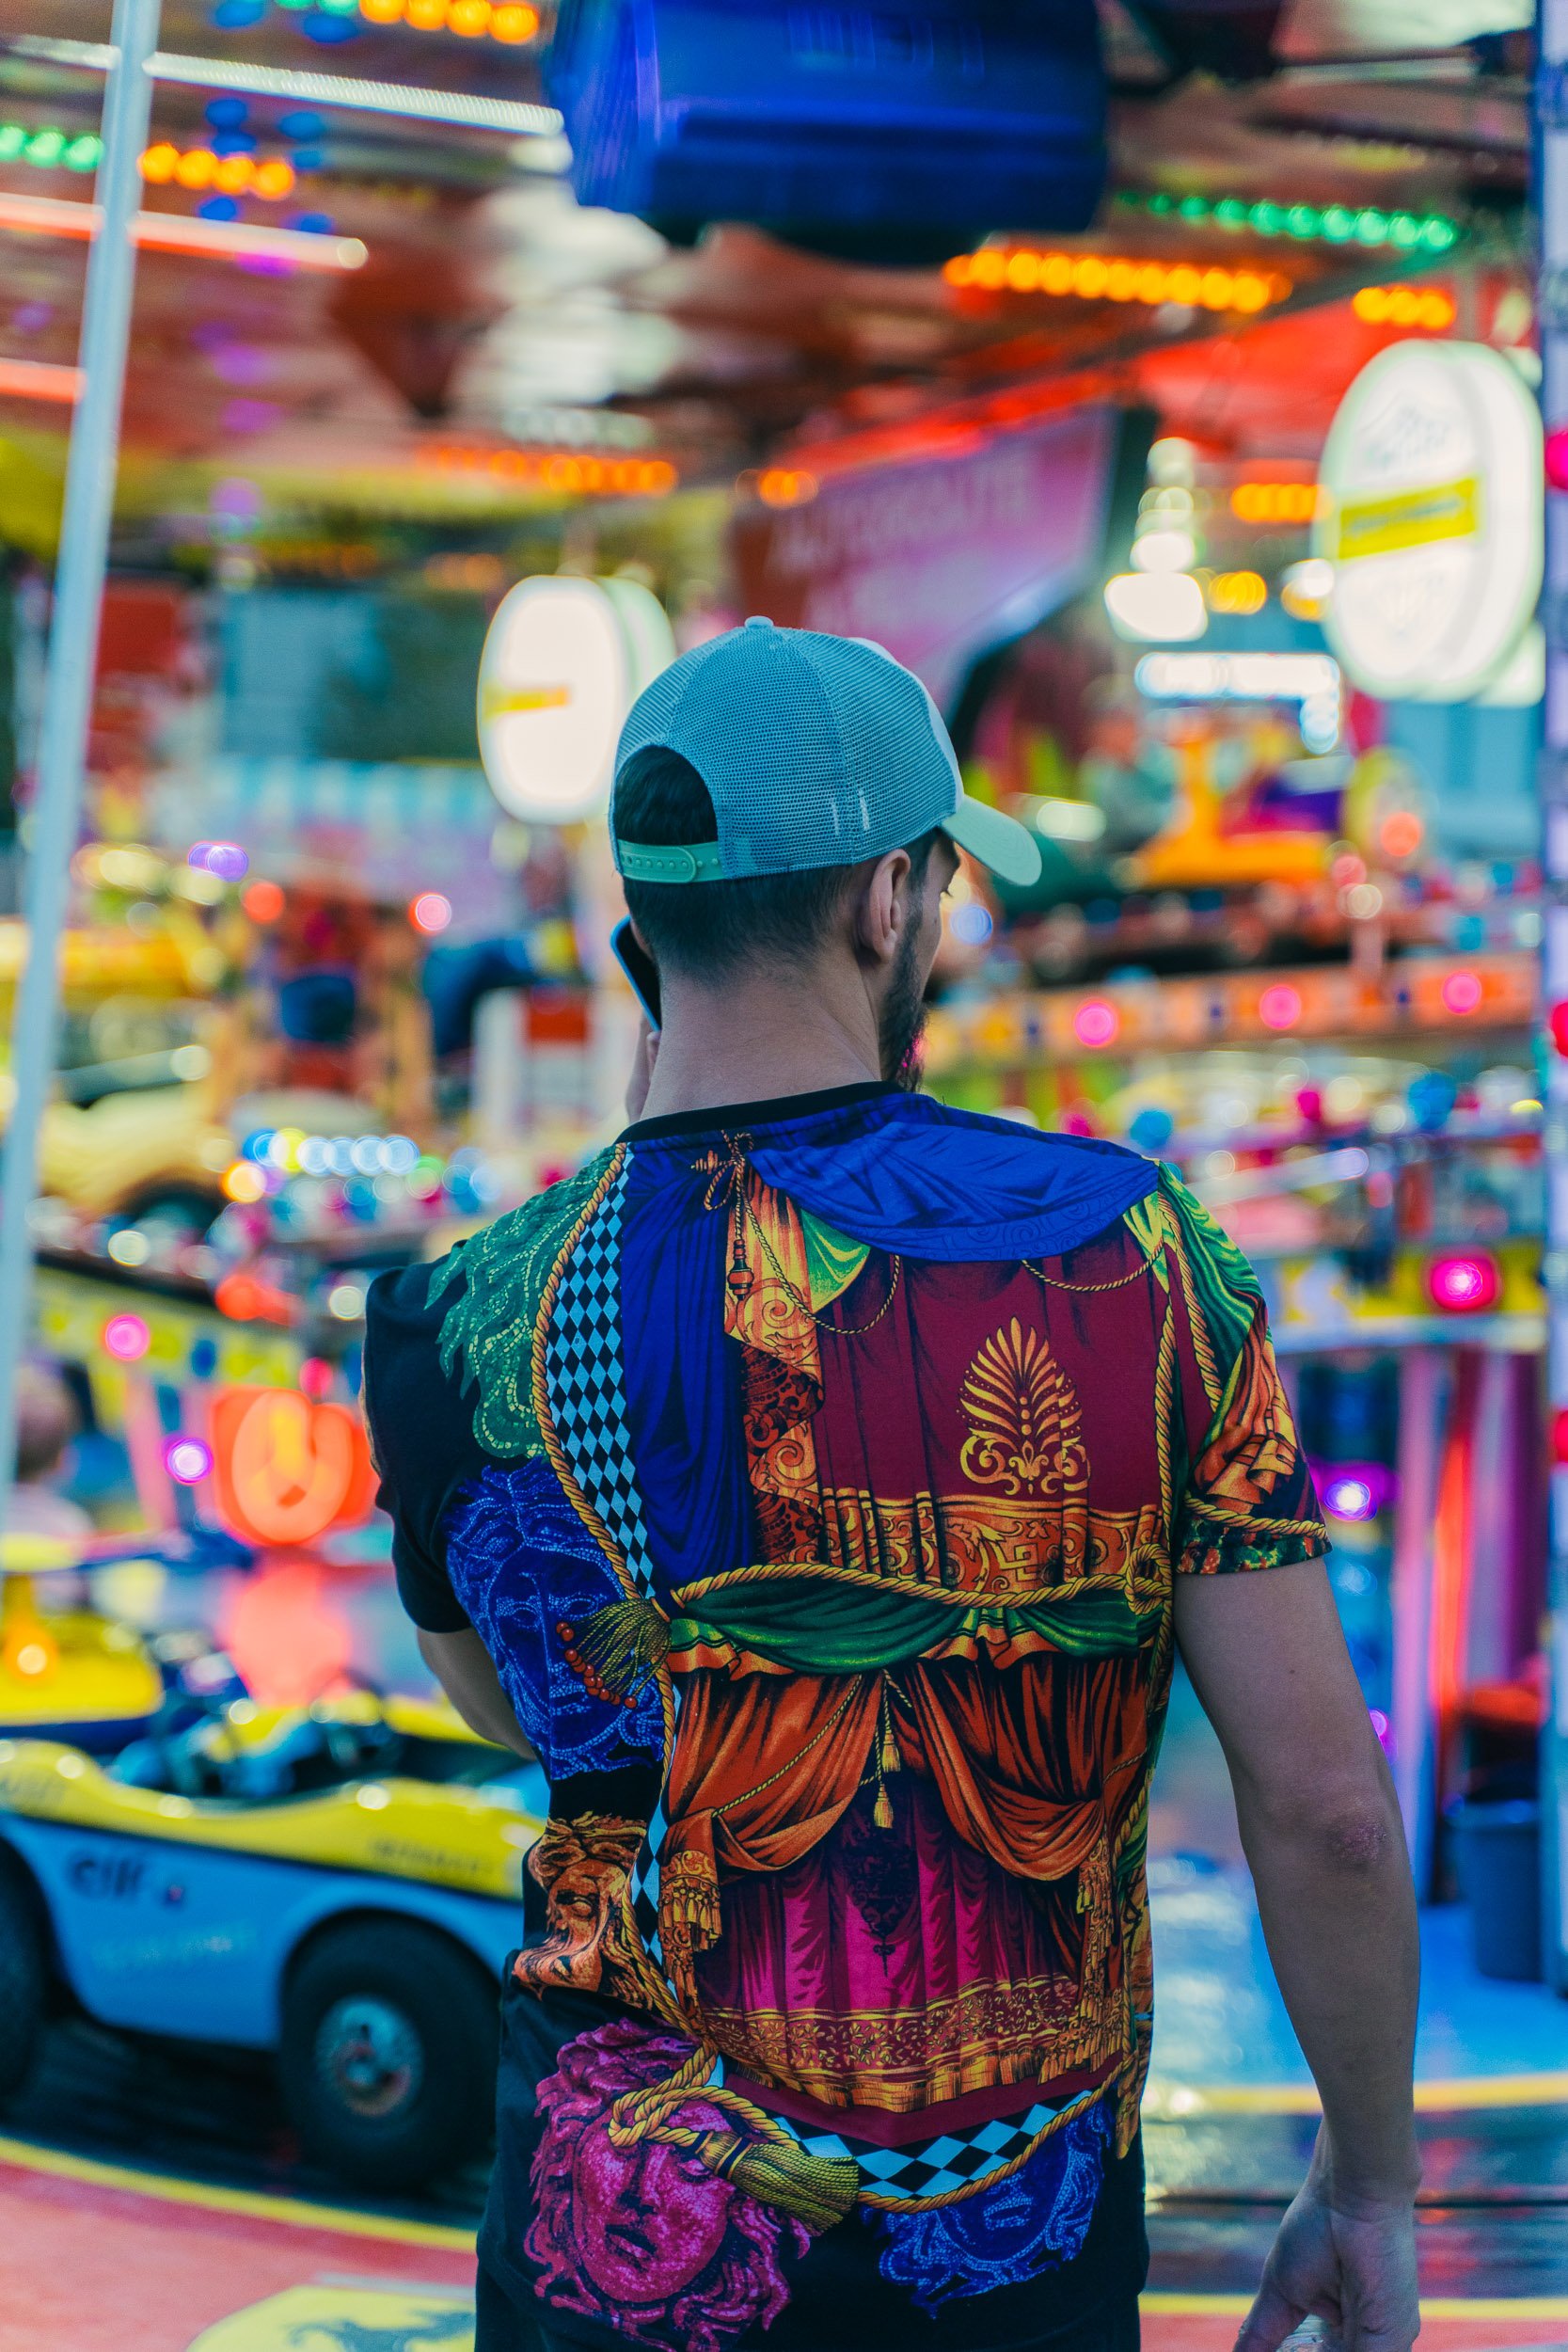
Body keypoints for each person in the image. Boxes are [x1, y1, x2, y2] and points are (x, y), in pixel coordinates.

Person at [365, 621, 1420, 2352]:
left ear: (642, 933)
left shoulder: (455, 1313)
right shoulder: (1138, 1257)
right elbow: (1326, 1813)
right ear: (885, 904)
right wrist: (1369, 2188)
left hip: (609, 2261)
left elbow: (510, 1700)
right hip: (1014, 2278)